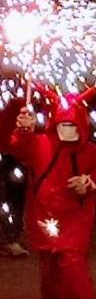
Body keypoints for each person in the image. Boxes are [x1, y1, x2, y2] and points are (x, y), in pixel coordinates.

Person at [6, 86, 96, 299]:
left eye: (72, 127)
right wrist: (23, 129)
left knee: (72, 263)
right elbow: (18, 149)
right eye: (63, 126)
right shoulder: (40, 144)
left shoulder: (92, 152)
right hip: (43, 215)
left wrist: (89, 182)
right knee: (50, 267)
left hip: (75, 218)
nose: (67, 132)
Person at [0, 97, 29, 258]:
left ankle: (11, 238)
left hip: (14, 151)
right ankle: (10, 238)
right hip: (10, 150)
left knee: (15, 197)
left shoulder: (18, 95)